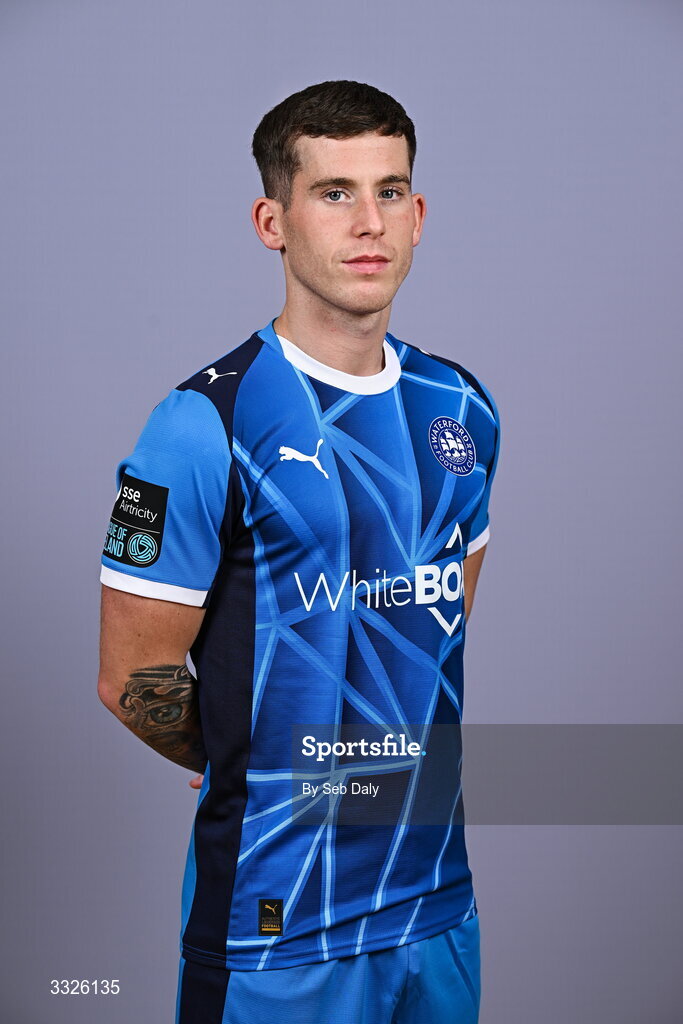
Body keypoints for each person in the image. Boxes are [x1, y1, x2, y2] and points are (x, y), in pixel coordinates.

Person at [98, 79, 501, 1024]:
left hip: (434, 903)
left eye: (389, 191)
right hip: (278, 924)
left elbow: (436, 618)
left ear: (419, 213)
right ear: (270, 220)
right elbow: (130, 679)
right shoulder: (203, 424)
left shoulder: (462, 409)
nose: (369, 222)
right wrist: (251, 749)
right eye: (334, 193)